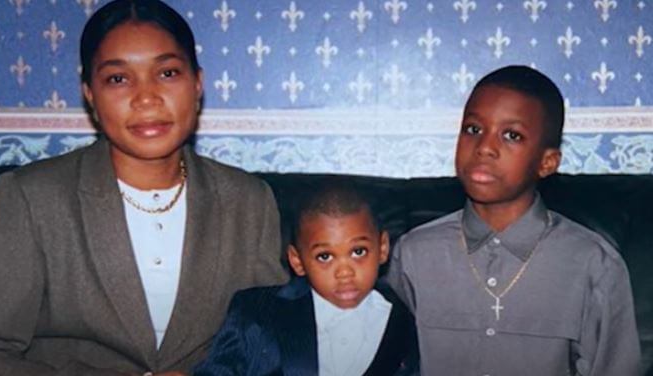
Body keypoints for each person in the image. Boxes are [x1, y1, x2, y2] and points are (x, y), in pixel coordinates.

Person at [0, 0, 287, 375]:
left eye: (167, 72)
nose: (146, 97)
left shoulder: (249, 201)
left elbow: (271, 348)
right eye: (118, 78)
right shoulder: (32, 198)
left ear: (198, 84)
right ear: (90, 96)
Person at [386, 65, 641, 375]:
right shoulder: (413, 254)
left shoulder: (593, 264)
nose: (485, 148)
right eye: (473, 129)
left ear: (547, 163)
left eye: (511, 135)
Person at [194, 179, 419, 375]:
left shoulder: (406, 319)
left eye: (358, 252)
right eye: (325, 256)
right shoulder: (256, 311)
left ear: (382, 249)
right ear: (297, 261)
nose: (344, 272)